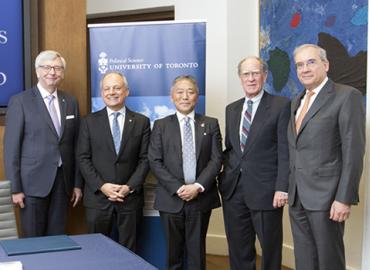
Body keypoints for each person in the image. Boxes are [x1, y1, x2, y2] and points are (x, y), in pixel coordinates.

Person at [287, 44, 365, 270]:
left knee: (329, 260)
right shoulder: (297, 101)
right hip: (297, 195)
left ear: (326, 65)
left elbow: (353, 151)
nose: (305, 69)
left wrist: (344, 198)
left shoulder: (346, 96)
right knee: (304, 258)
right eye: (300, 65)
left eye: (311, 62)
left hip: (328, 198)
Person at [218, 56, 290, 270]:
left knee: (270, 248)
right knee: (238, 248)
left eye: (255, 73)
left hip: (267, 191)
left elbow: (285, 150)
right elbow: (231, 148)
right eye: (246, 74)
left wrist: (282, 187)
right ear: (240, 78)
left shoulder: (281, 106)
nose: (251, 78)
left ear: (264, 76)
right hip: (233, 191)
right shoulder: (232, 109)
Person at [4, 50, 82, 237]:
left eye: (57, 68)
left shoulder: (70, 102)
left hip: (63, 184)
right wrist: (15, 189)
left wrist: (77, 184)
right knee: (33, 240)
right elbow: (11, 149)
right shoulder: (20, 101)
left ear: (62, 73)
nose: (52, 72)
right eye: (46, 67)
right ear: (37, 72)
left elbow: (76, 145)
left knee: (58, 238)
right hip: (31, 186)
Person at [148, 75, 222, 270]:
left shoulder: (211, 124)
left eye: (190, 92)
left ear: (197, 97)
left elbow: (217, 160)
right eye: (180, 92)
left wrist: (197, 187)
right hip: (171, 198)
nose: (185, 96)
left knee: (197, 253)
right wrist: (179, 188)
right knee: (174, 254)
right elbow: (154, 161)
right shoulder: (161, 125)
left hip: (200, 198)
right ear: (172, 97)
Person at [77, 71, 150, 252]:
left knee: (130, 251)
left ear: (126, 91)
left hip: (130, 199)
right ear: (102, 93)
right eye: (107, 88)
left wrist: (129, 187)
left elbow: (146, 159)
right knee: (96, 251)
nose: (112, 92)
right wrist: (102, 186)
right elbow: (83, 158)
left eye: (117, 88)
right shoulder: (88, 122)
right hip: (98, 199)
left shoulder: (142, 122)